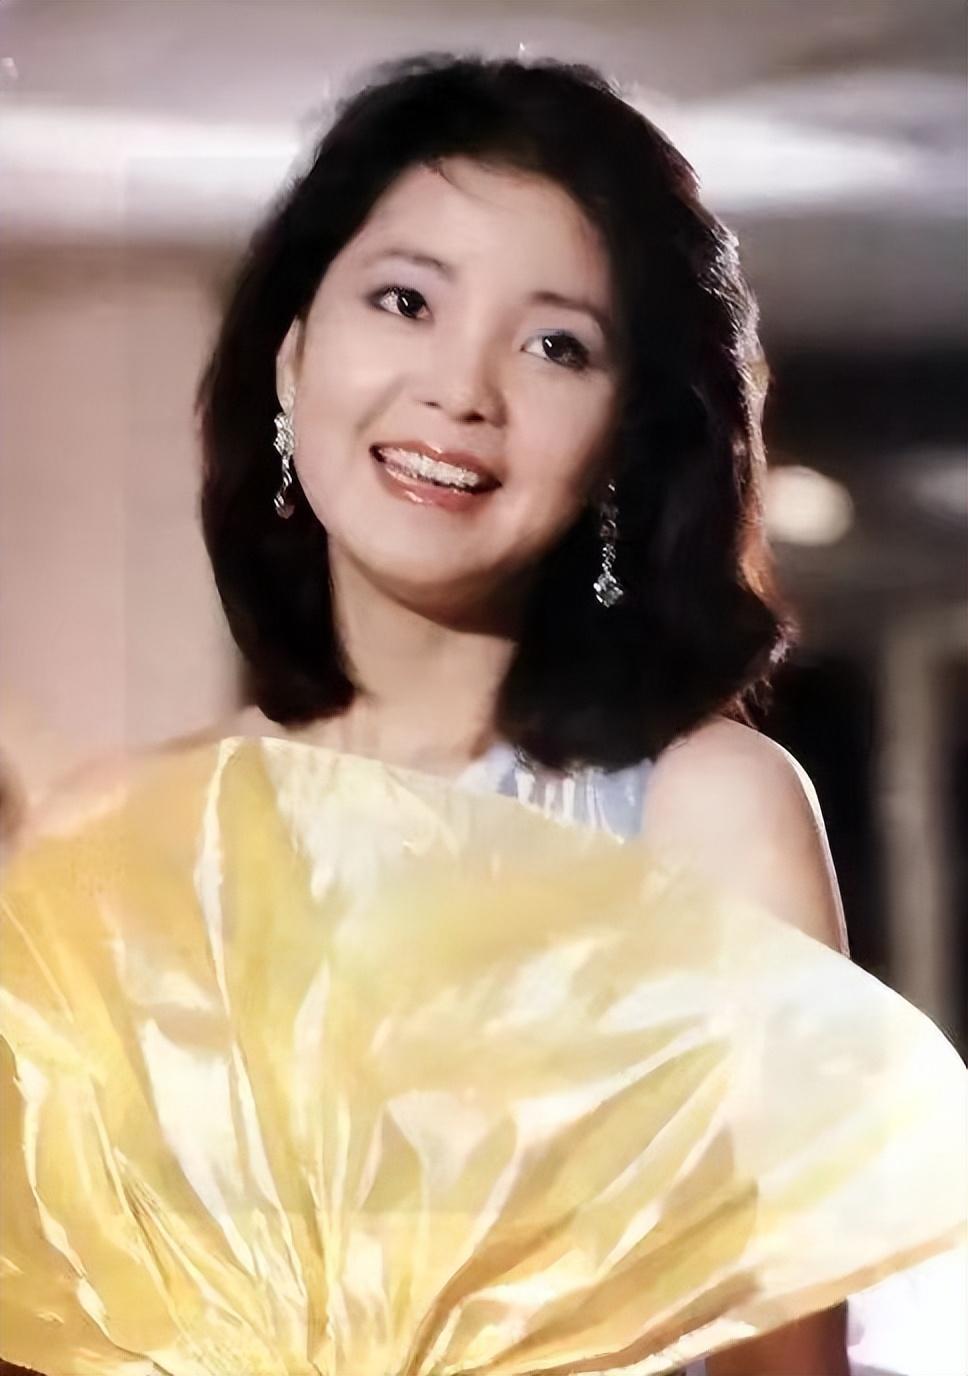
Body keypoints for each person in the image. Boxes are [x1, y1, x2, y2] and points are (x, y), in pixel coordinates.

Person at [2, 53, 963, 1376]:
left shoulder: (702, 816)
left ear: (623, 440)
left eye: (556, 345)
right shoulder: (121, 839)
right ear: (293, 352)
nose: (462, 388)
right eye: (405, 300)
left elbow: (782, 1362)